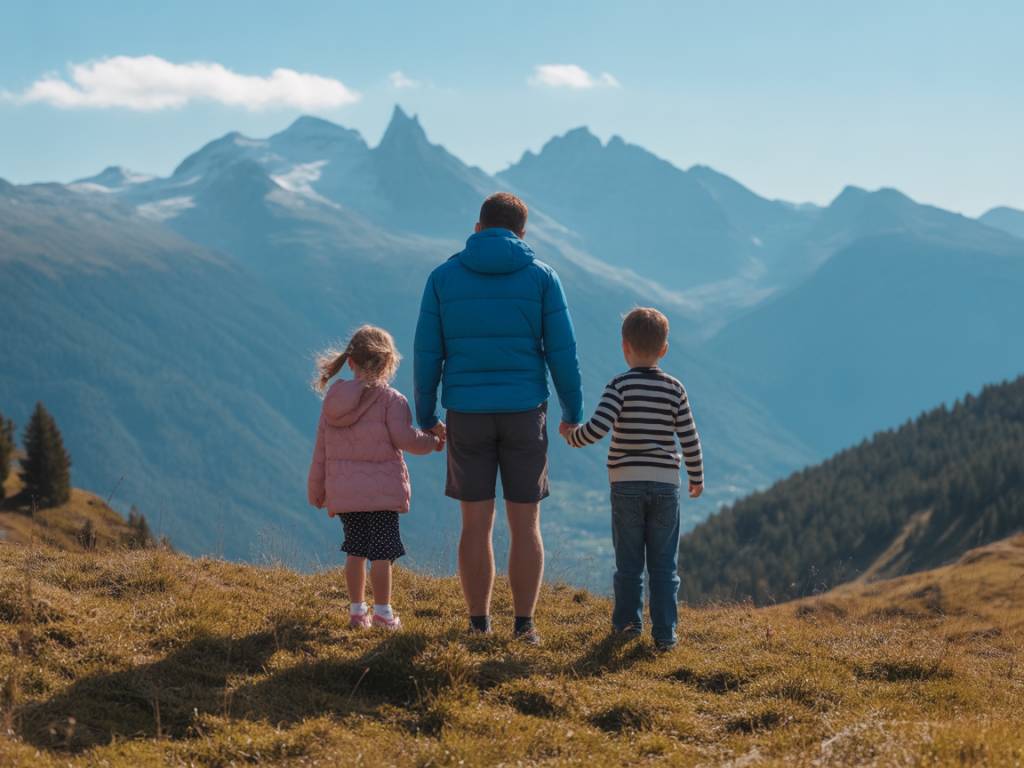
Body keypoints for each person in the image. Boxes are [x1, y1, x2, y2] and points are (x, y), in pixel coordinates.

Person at [413, 192, 584, 644]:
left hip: (466, 412)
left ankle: (477, 624)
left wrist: (426, 414)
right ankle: (524, 626)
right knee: (526, 524)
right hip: (526, 411)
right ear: (521, 233)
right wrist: (573, 411)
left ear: (477, 228)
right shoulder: (542, 277)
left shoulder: (442, 278)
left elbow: (428, 353)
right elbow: (562, 352)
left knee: (475, 524)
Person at [562, 307, 704, 651]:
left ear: (624, 346)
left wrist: (571, 435)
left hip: (625, 485)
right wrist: (696, 476)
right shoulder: (675, 389)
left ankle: (627, 626)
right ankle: (666, 635)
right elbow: (689, 437)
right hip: (666, 485)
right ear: (664, 349)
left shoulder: (619, 385)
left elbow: (597, 428)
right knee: (664, 566)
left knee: (628, 564)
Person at [308, 325, 443, 631]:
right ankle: (383, 613)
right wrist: (433, 441)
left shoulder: (333, 402)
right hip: (382, 492)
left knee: (355, 550)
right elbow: (407, 439)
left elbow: (321, 449)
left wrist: (317, 488)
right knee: (382, 553)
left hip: (345, 493)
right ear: (388, 364)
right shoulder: (392, 400)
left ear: (351, 362)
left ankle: (357, 612)